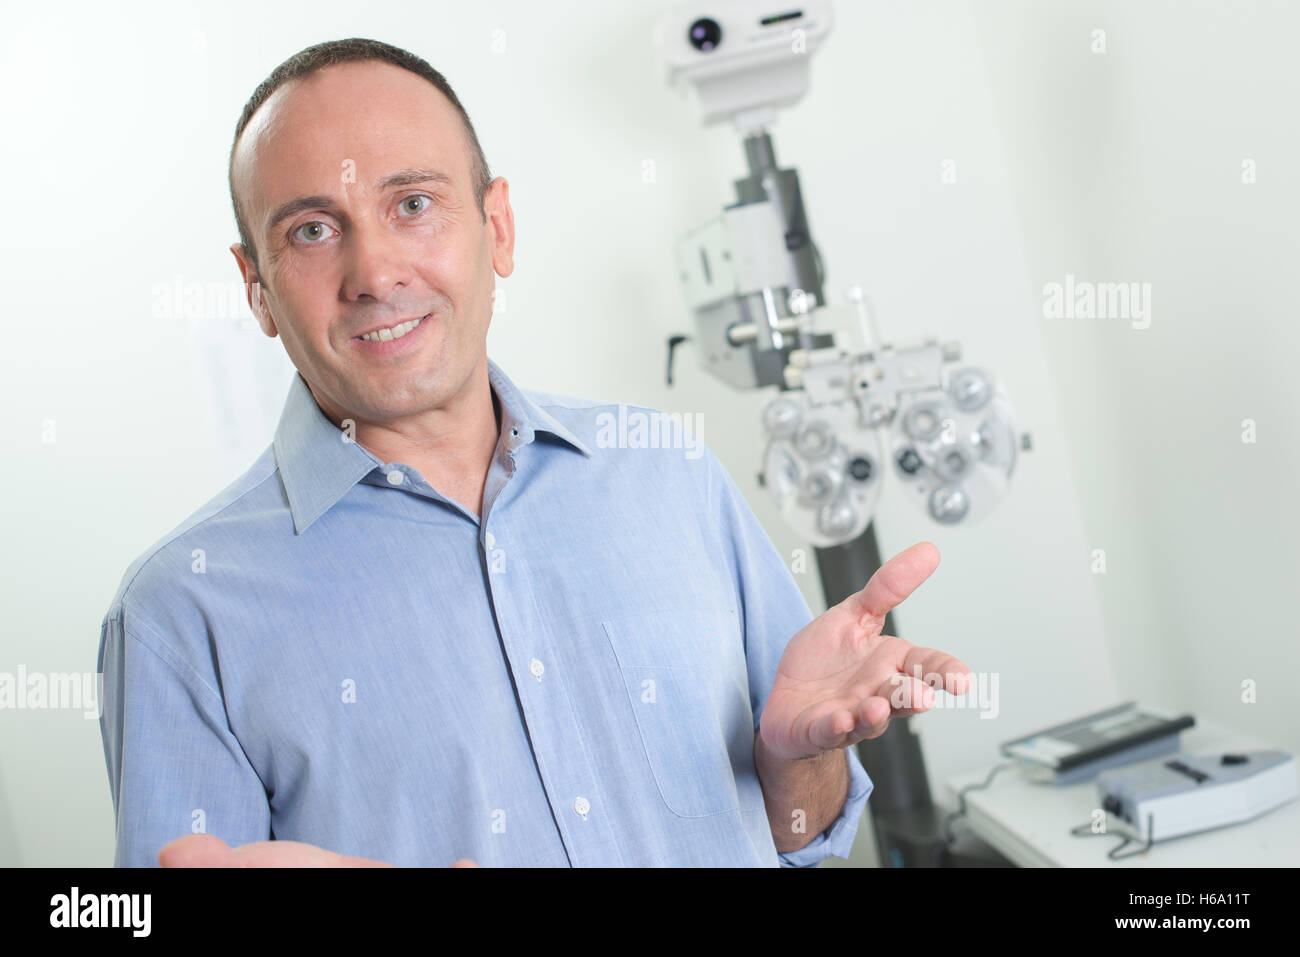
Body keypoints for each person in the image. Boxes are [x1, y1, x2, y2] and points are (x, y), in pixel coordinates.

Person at [97, 37, 971, 868]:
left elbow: (800, 838)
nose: (374, 272)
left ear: (498, 225)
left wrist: (797, 764)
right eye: (313, 232)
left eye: (412, 204)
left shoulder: (668, 472)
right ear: (257, 288)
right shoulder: (181, 612)